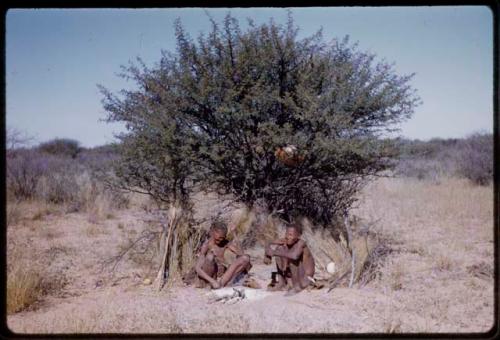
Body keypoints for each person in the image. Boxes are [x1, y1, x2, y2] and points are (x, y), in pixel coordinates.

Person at [195, 220, 252, 289]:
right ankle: (210, 284)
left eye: (223, 238)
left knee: (245, 258)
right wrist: (212, 281)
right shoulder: (206, 246)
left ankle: (225, 283)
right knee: (210, 256)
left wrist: (234, 234)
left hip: (222, 278)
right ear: (212, 232)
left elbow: (241, 253)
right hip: (211, 278)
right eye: (218, 238)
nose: (221, 240)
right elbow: (198, 268)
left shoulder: (224, 243)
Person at [264, 223, 315, 295]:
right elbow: (269, 248)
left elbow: (294, 256)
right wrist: (269, 246)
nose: (288, 237)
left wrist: (274, 253)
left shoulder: (301, 243)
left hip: (305, 278)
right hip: (294, 276)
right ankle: (281, 283)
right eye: (286, 234)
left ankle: (296, 286)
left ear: (298, 236)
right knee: (280, 248)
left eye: (291, 235)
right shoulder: (286, 240)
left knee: (290, 257)